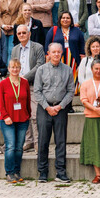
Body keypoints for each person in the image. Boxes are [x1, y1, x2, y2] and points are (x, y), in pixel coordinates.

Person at [31, 43, 74, 182]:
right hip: (44, 109)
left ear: (61, 53)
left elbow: (71, 91)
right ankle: (42, 172)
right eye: (53, 52)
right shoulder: (41, 70)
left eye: (58, 52)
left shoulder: (68, 70)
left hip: (61, 109)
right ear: (48, 54)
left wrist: (60, 106)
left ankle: (61, 172)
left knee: (61, 141)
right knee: (43, 141)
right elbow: (37, 91)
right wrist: (47, 107)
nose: (56, 54)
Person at [0, 58, 29, 183]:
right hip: (8, 120)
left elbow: (27, 100)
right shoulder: (3, 84)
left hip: (22, 119)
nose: (15, 69)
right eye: (12, 67)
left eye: (17, 67)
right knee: (11, 146)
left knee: (19, 147)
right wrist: (5, 116)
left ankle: (16, 171)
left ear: (20, 69)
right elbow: (0, 103)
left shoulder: (24, 83)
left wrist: (27, 115)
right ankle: (9, 172)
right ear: (8, 69)